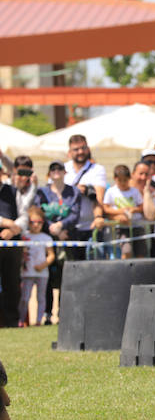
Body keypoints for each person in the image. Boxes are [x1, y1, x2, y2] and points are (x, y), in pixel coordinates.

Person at [34, 161, 81, 323]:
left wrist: (61, 226)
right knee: (48, 275)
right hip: (47, 238)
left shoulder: (73, 192)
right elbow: (39, 213)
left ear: (64, 172)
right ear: (48, 173)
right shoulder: (42, 192)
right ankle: (47, 312)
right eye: (52, 169)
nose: (56, 171)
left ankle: (63, 311)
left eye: (59, 169)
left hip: (67, 238)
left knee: (66, 276)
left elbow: (75, 214)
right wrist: (52, 228)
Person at [64, 134, 107, 259]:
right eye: (76, 149)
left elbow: (98, 197)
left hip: (91, 227)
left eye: (83, 148)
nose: (80, 152)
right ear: (69, 152)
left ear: (88, 149)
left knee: (94, 268)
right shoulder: (63, 169)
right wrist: (73, 191)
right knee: (71, 267)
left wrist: (98, 217)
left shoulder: (97, 169)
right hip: (68, 228)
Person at [18, 206, 54, 326]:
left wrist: (43, 265)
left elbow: (51, 255)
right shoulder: (24, 236)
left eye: (39, 222)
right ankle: (21, 321)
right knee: (24, 298)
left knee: (41, 298)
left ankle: (39, 321)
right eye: (33, 222)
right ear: (28, 222)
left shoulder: (46, 238)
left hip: (42, 273)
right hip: (27, 273)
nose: (36, 225)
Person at [102, 165, 145, 259]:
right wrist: (119, 212)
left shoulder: (135, 191)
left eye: (125, 180)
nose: (122, 183)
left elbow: (141, 207)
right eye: (119, 180)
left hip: (136, 226)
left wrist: (134, 209)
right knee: (126, 250)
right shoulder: (111, 191)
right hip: (122, 227)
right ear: (115, 179)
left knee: (141, 252)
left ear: (129, 179)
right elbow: (106, 208)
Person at [0, 179, 22, 328]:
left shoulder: (13, 191)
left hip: (12, 244)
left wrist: (13, 229)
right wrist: (5, 223)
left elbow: (24, 214)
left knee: (12, 284)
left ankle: (12, 322)